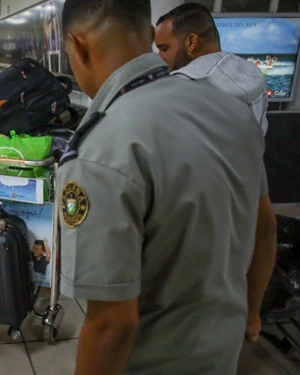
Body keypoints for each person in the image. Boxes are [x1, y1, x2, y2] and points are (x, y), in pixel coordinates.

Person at [57, 1, 266, 374]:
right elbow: (265, 228)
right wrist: (251, 316)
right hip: (222, 356)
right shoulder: (231, 112)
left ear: (79, 45)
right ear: (150, 35)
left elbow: (111, 326)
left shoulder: (102, 149)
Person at [155, 2, 278, 343]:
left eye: (165, 48)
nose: (162, 57)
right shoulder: (253, 74)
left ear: (191, 41)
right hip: (244, 206)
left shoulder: (178, 89)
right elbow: (266, 231)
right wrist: (253, 314)